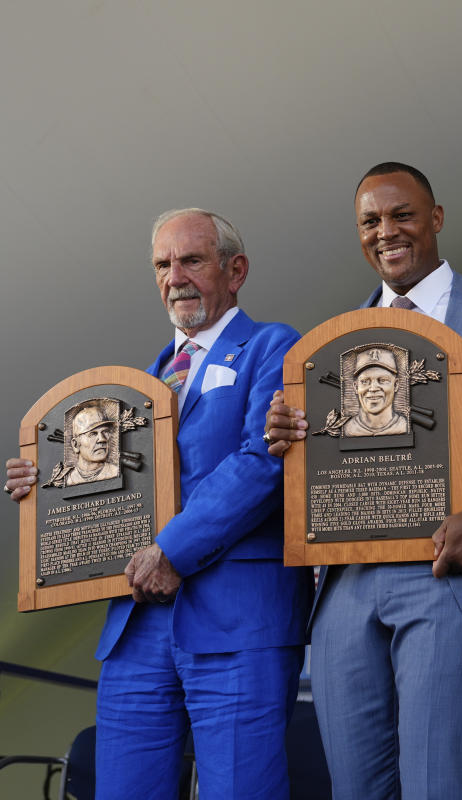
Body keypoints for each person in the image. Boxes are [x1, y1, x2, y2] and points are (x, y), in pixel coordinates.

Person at [263, 162, 462, 799]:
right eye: (370, 221)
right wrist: (289, 435)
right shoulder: (331, 344)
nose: (387, 232)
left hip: (455, 576)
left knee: (444, 787)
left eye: (402, 215)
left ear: (435, 219)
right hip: (348, 591)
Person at [5, 209, 312, 799]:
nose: (176, 276)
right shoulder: (144, 380)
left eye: (192, 260)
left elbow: (261, 461)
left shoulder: (273, 345)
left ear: (235, 270)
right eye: (163, 265)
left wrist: (171, 550)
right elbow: (111, 489)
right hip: (136, 620)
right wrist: (46, 488)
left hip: (237, 617)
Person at [343, 346, 409, 436]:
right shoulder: (348, 428)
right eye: (365, 381)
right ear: (355, 386)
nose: (373, 388)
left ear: (396, 384)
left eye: (383, 380)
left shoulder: (404, 426)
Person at [63, 402, 120, 485]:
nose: (102, 439)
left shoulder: (116, 472)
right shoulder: (66, 479)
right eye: (93, 434)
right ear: (75, 445)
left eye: (105, 432)